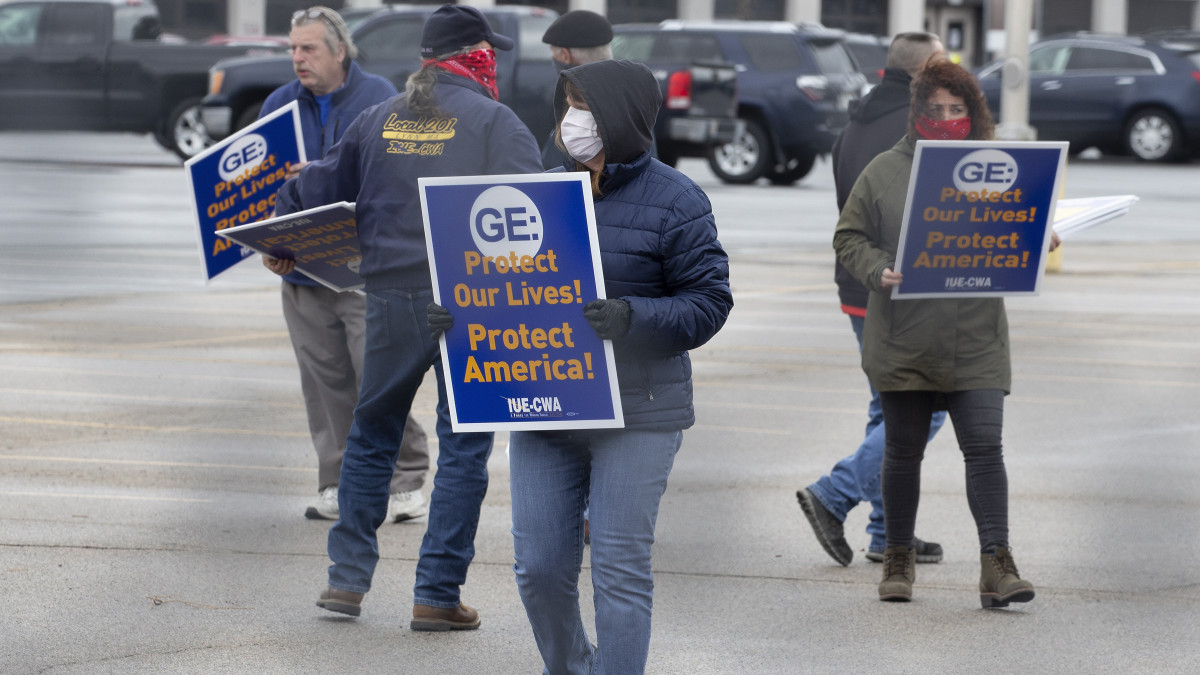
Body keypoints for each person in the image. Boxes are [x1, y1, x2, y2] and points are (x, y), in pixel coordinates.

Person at [271, 4, 543, 629]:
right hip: (472, 302)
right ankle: (436, 595)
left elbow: (310, 190)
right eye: (488, 50)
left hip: (390, 298)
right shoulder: (494, 121)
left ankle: (346, 583)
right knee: (465, 445)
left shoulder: (379, 116)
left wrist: (283, 244)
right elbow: (535, 211)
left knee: (371, 435)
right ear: (474, 56)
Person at [503, 59, 732, 673]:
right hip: (547, 408)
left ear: (623, 116)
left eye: (586, 106)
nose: (572, 120)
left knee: (618, 570)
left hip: (639, 412)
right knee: (539, 569)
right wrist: (461, 322)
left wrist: (633, 317)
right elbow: (500, 286)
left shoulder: (676, 199)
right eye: (567, 105)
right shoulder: (543, 190)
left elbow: (709, 304)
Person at [833, 59, 1051, 607]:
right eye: (935, 110)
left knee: (985, 449)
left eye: (958, 110)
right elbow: (849, 237)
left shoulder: (1003, 168)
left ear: (973, 112)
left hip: (977, 338)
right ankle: (898, 558)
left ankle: (997, 563)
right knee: (903, 452)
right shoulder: (886, 170)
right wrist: (877, 269)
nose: (947, 119)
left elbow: (1023, 225)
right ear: (917, 112)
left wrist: (1034, 241)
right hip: (904, 337)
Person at [259, 6, 431, 525]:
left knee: (375, 375)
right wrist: (266, 234)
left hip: (362, 267)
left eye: (308, 48)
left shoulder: (379, 98)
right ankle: (336, 481)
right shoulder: (278, 105)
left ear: (339, 51)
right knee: (324, 381)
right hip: (300, 269)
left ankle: (406, 480)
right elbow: (258, 185)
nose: (298, 59)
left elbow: (397, 179)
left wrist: (321, 175)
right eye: (292, 49)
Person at [796, 32, 948, 567]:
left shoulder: (855, 123)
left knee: (888, 407)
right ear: (925, 69)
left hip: (856, 282)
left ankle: (889, 533)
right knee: (926, 407)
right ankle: (832, 494)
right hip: (900, 288)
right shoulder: (913, 129)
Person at [539, 9, 613, 170]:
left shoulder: (578, 104)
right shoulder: (633, 94)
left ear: (565, 56)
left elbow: (557, 170)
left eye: (554, 54)